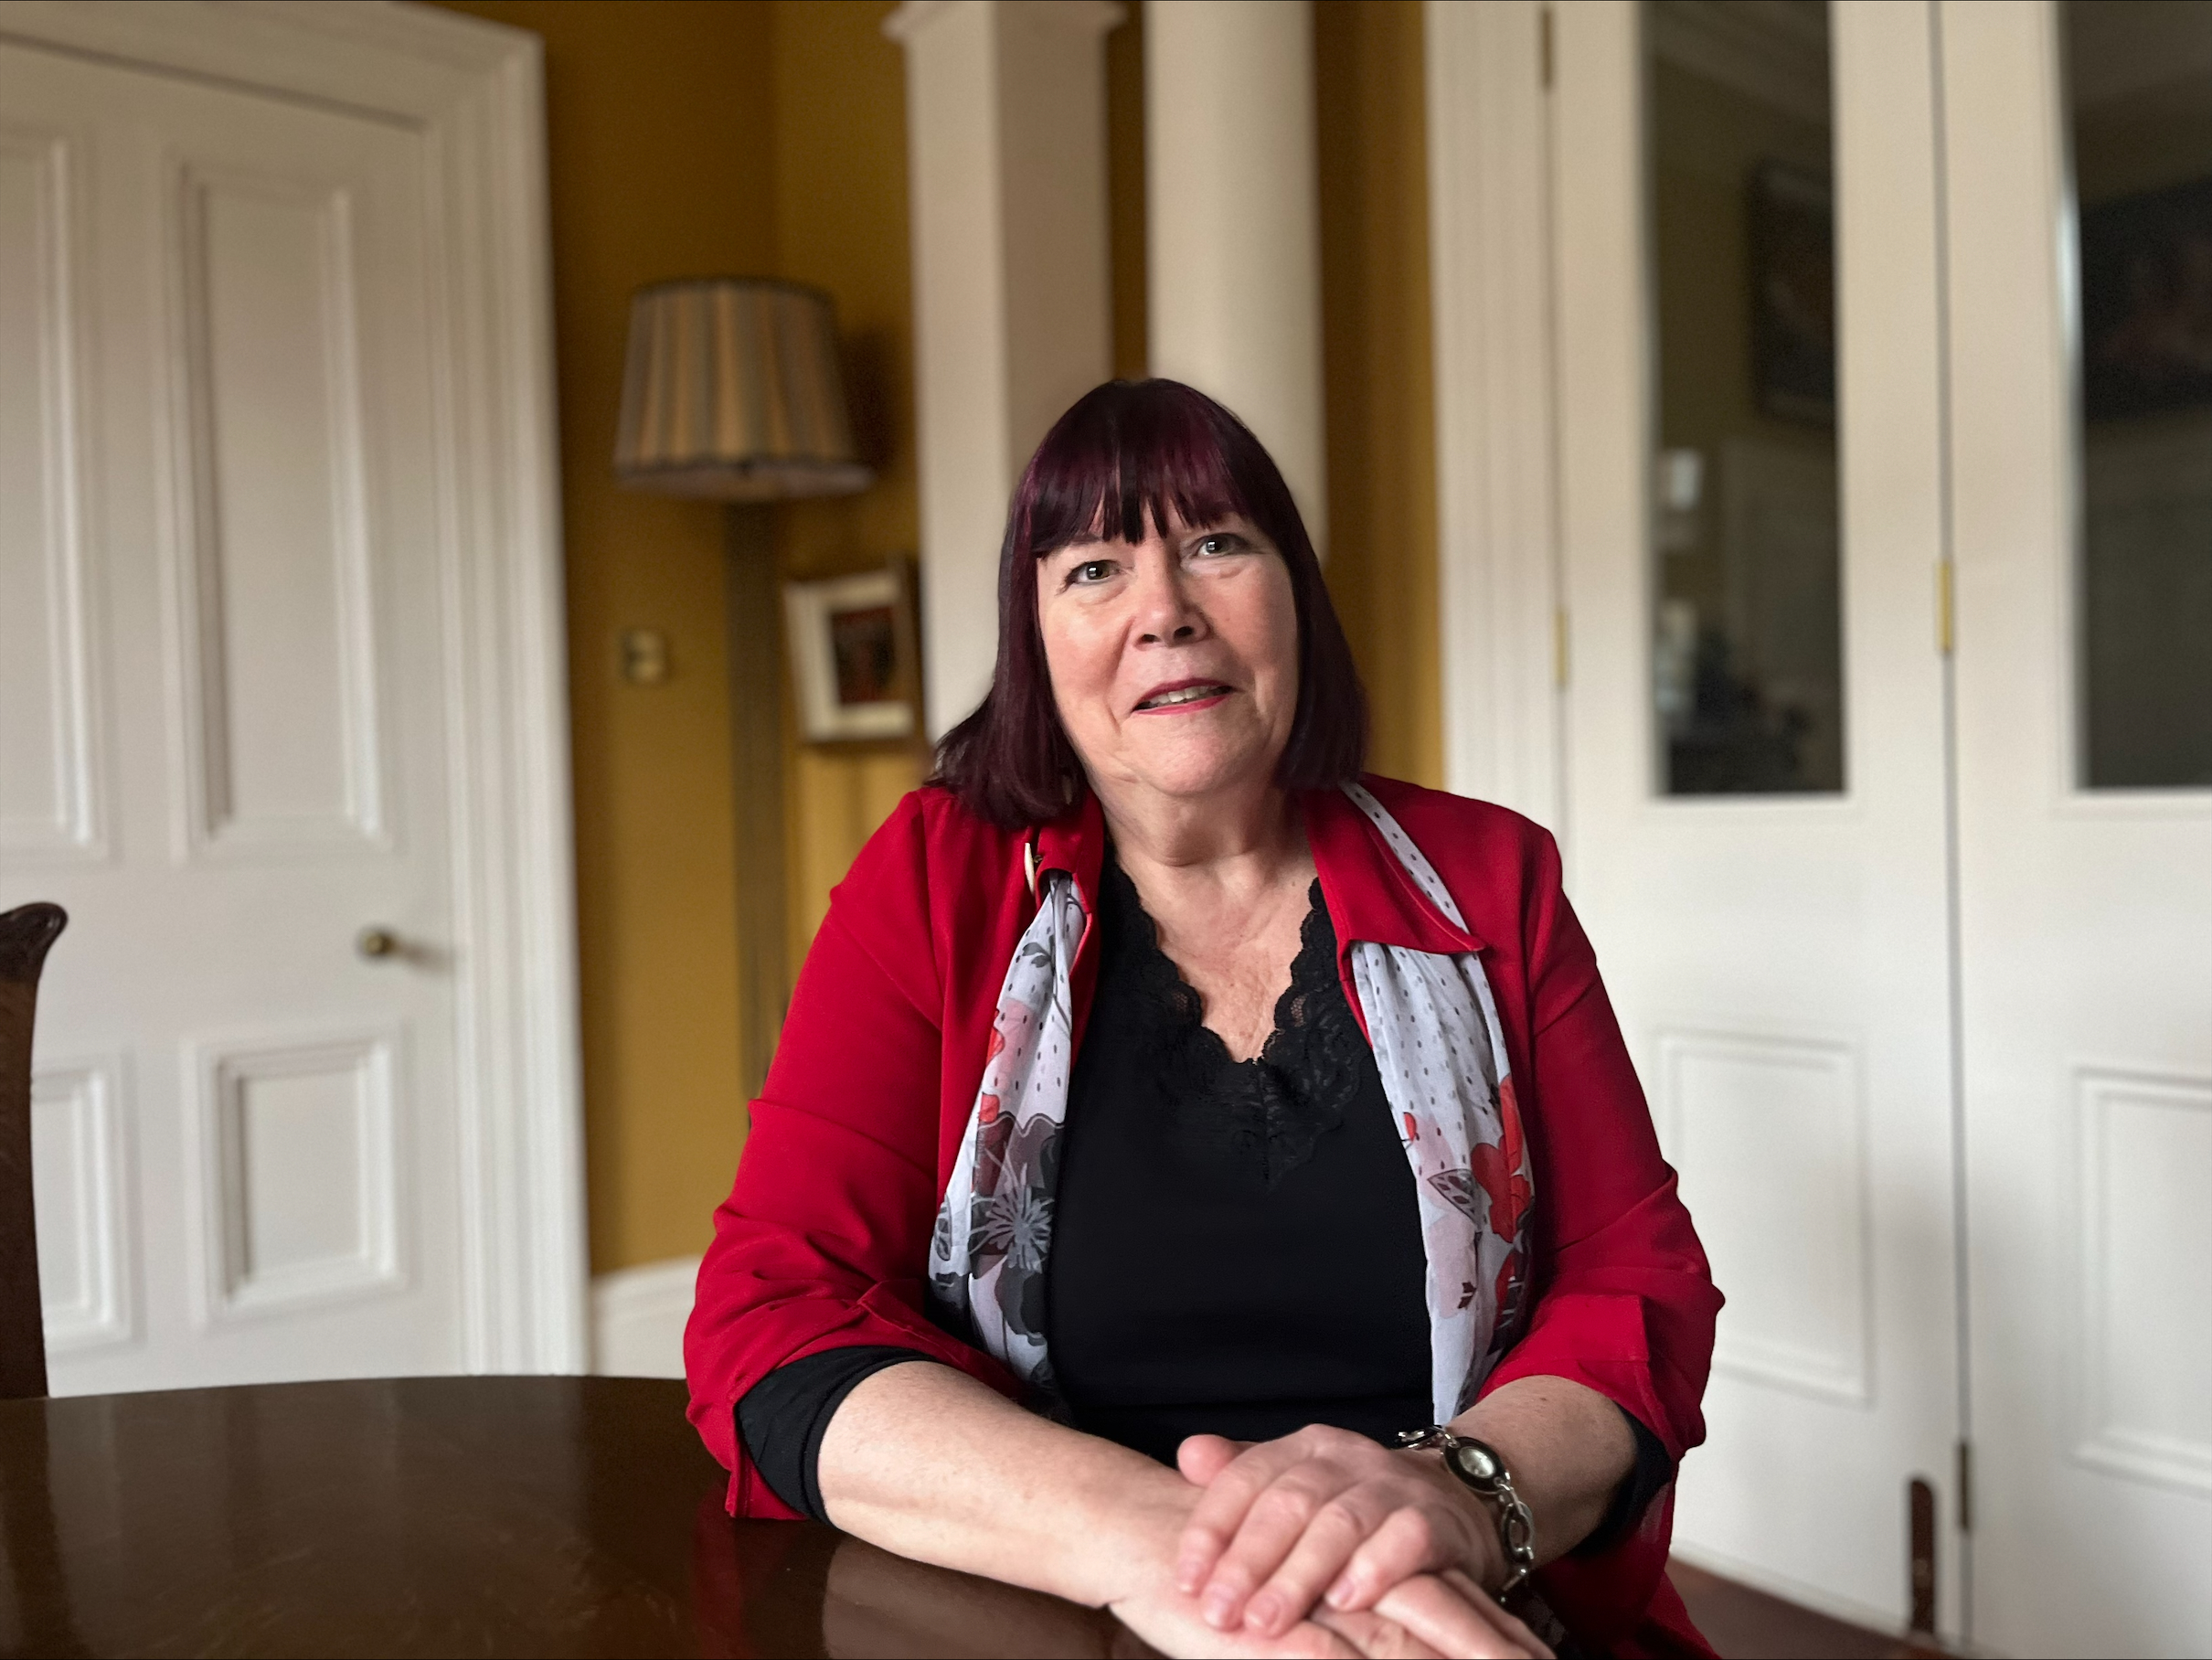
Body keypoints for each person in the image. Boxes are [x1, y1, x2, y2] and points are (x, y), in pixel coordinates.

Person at [686, 379, 1722, 1659]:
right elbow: (774, 1311)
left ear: (1296, 597)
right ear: (1036, 636)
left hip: (1454, 1596)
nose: (1165, 610)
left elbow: (1638, 1285)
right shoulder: (935, 883)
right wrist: (1179, 1555)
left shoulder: (1488, 877)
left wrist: (1444, 1504)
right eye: (1095, 568)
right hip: (1059, 1602)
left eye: (1218, 545)